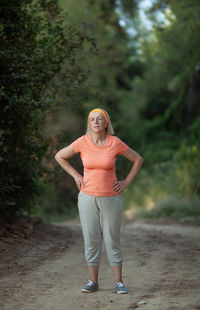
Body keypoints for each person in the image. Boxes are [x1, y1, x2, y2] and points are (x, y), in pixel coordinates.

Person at [54, 108, 144, 294]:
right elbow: (59, 156)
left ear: (106, 123)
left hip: (110, 198)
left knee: (112, 239)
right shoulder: (82, 142)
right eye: (92, 119)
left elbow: (138, 160)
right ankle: (93, 282)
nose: (95, 122)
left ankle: (119, 282)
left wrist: (126, 182)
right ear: (89, 124)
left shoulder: (115, 142)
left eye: (99, 119)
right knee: (91, 239)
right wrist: (76, 175)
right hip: (87, 197)